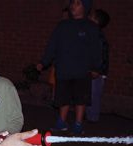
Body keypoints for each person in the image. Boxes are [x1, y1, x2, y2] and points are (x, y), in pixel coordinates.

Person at [36, 0, 101, 135]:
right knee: (63, 97)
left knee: (80, 98)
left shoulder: (91, 28)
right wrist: (44, 61)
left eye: (78, 3)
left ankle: (78, 124)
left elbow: (96, 49)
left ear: (85, 7)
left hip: (82, 70)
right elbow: (52, 45)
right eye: (73, 3)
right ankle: (61, 122)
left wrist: (96, 67)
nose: (73, 6)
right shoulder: (62, 26)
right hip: (64, 69)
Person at [85, 8, 110, 122]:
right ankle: (89, 117)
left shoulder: (98, 36)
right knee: (89, 95)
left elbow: (101, 55)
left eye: (91, 16)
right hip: (94, 70)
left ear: (96, 20)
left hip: (97, 72)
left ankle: (93, 119)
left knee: (94, 96)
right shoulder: (93, 34)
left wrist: (98, 70)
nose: (88, 17)